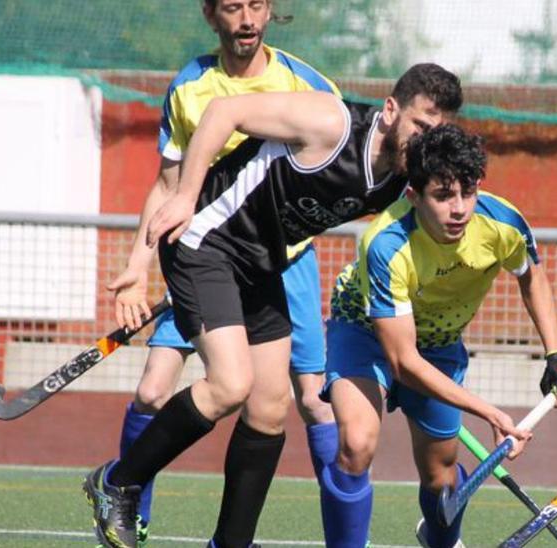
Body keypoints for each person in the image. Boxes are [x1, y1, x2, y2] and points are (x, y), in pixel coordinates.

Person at [83, 63, 476, 548]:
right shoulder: (331, 123)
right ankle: (118, 482)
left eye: (436, 132)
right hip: (206, 241)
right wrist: (186, 197)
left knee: (270, 409)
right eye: (419, 125)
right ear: (392, 110)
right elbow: (223, 111)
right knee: (230, 385)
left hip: (260, 264)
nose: (424, 142)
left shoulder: (403, 179)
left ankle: (230, 543)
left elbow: (452, 208)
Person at [104, 0, 340, 543]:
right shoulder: (190, 86)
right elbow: (167, 186)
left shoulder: (306, 83)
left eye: (257, 5)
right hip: (204, 255)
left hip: (286, 263)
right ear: (212, 15)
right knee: (172, 386)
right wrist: (137, 267)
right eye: (233, 7)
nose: (248, 19)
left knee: (287, 400)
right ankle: (127, 495)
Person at [318, 124, 557, 548]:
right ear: (413, 196)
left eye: (468, 193)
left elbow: (530, 275)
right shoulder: (385, 244)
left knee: (441, 481)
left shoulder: (502, 223)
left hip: (438, 345)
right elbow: (402, 361)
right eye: (443, 196)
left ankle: (439, 540)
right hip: (364, 332)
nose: (459, 209)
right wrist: (492, 414)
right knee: (356, 443)